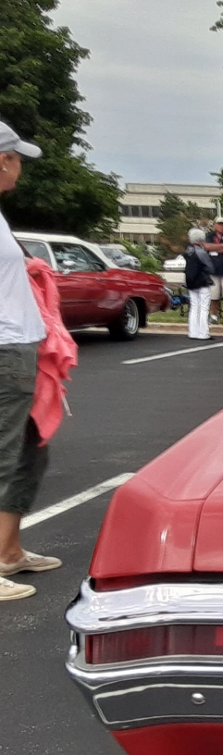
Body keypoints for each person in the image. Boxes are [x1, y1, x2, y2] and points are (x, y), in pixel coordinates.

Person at [0, 120, 60, 601]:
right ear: (3, 159)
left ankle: (9, 550)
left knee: (30, 451)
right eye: (17, 158)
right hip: (3, 349)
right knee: (3, 455)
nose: (20, 167)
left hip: (21, 347)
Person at [183, 227, 216, 340]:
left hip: (191, 282)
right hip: (202, 282)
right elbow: (210, 267)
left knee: (194, 307)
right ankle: (203, 333)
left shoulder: (187, 252)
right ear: (200, 240)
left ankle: (193, 332)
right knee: (204, 308)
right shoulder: (201, 253)